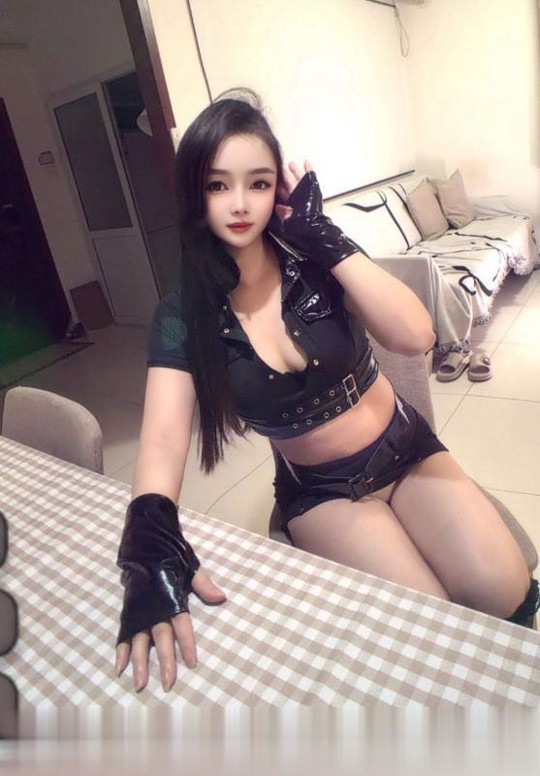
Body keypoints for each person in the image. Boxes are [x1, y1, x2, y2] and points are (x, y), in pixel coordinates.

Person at [115, 90, 538, 693]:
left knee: (504, 593)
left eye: (259, 183)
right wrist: (149, 543)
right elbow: (160, 440)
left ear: (278, 189)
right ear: (193, 193)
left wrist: (323, 234)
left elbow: (416, 335)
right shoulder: (182, 316)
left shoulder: (313, 258)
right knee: (431, 629)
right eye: (218, 185)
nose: (240, 203)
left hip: (407, 452)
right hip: (324, 492)